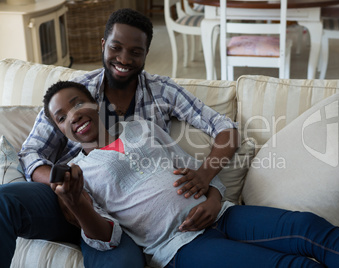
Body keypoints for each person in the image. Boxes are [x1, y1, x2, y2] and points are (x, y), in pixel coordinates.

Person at [43, 80, 339, 268]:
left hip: (224, 214)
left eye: (76, 102)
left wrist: (214, 198)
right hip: (178, 244)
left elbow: (194, 171)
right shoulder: (80, 174)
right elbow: (106, 236)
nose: (72, 114)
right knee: (291, 266)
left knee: (311, 228)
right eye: (61, 117)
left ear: (93, 102)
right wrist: (77, 205)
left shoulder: (141, 127)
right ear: (61, 131)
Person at [0, 8, 239, 268]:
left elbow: (224, 127)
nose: (123, 59)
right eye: (115, 48)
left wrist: (205, 175)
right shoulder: (77, 94)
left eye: (135, 52)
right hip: (74, 197)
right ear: (103, 45)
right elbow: (31, 152)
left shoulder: (162, 91)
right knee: (5, 202)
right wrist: (64, 186)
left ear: (146, 53)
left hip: (128, 220)